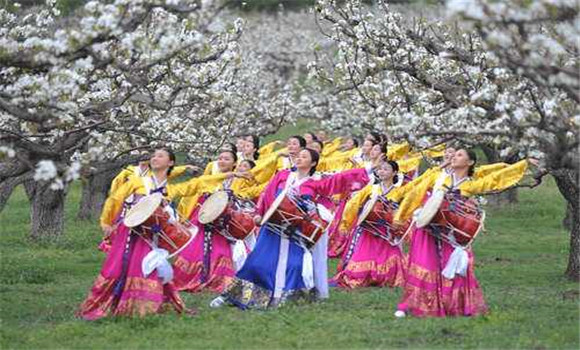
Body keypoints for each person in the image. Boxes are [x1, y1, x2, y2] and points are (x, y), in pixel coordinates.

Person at [78, 148, 228, 320]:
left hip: (152, 235)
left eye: (160, 156)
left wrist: (230, 174)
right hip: (131, 232)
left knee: (148, 266)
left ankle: (144, 305)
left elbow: (199, 183)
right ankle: (114, 303)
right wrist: (106, 222)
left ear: (170, 162)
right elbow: (115, 199)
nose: (155, 158)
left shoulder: (169, 189)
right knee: (119, 265)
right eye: (154, 156)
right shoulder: (137, 181)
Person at [212, 148, 373, 309]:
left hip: (295, 231)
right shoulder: (283, 175)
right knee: (257, 263)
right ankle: (233, 296)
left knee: (294, 265)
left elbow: (339, 179)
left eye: (305, 156)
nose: (299, 158)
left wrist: (368, 169)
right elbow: (267, 194)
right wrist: (260, 213)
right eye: (299, 155)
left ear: (313, 163)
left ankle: (287, 297)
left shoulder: (316, 181)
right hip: (272, 227)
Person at [393, 148, 533, 318]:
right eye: (454, 154)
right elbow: (416, 191)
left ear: (470, 162)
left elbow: (496, 178)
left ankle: (453, 305)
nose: (454, 157)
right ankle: (415, 304)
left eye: (459, 155)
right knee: (426, 265)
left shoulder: (470, 184)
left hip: (452, 233)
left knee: (452, 267)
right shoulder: (438, 176)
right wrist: (403, 215)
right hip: (428, 228)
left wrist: (524, 164)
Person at [331, 160, 408, 288]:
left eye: (386, 169)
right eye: (380, 169)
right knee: (360, 260)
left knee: (390, 258)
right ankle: (366, 274)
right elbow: (354, 202)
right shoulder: (372, 188)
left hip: (386, 231)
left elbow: (405, 209)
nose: (382, 172)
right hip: (369, 230)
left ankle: (383, 276)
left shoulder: (399, 191)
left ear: (394, 172)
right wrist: (347, 222)